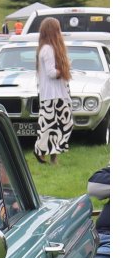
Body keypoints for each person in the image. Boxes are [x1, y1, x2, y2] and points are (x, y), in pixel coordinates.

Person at [33, 17, 72, 165]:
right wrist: (64, 70)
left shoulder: (46, 48)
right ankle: (41, 151)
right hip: (53, 95)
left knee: (54, 127)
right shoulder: (48, 49)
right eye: (58, 28)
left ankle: (50, 156)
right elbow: (51, 72)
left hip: (53, 94)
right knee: (56, 126)